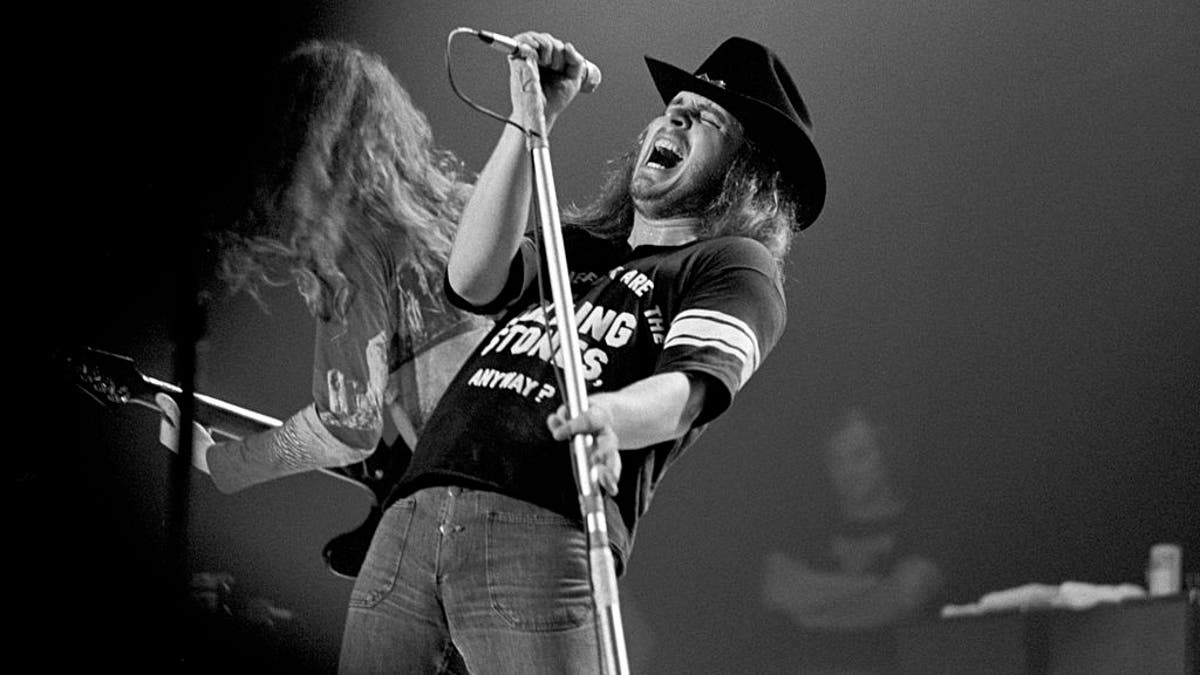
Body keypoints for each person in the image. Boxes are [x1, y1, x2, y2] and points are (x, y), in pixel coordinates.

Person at [338, 32, 827, 673]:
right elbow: (472, 277)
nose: (676, 115)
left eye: (707, 117)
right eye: (675, 105)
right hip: (411, 514)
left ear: (745, 174)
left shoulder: (734, 265)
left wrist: (614, 417)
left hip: (536, 522)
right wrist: (527, 119)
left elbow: (693, 387)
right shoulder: (582, 246)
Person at [157, 41, 489, 506]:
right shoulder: (464, 208)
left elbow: (348, 427)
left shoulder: (352, 246)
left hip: (478, 498)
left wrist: (219, 462)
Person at [762, 407, 945, 673]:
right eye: (837, 460)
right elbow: (776, 590)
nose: (848, 471)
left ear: (885, 454)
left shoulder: (922, 526)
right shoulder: (807, 529)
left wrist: (809, 608)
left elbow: (904, 598)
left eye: (859, 456)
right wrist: (875, 588)